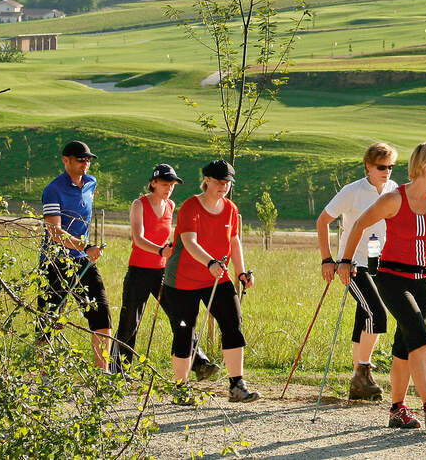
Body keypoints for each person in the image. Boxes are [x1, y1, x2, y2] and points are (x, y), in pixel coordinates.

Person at [338, 142, 426, 430]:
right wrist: (344, 260)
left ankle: (397, 410)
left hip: (424, 278)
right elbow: (359, 225)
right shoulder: (394, 199)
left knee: (405, 344)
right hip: (393, 278)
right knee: (418, 334)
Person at [161, 159, 260, 405]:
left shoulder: (230, 209)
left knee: (233, 324)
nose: (224, 186)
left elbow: (234, 242)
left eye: (227, 182)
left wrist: (241, 272)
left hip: (218, 277)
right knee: (185, 333)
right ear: (207, 180)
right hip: (183, 280)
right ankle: (181, 388)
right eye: (219, 181)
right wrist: (210, 263)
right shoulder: (190, 207)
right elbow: (190, 242)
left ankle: (237, 385)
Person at [109, 164, 220, 380]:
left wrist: (171, 249)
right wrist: (160, 250)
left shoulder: (171, 205)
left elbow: (166, 237)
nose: (169, 188)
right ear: (153, 183)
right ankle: (118, 370)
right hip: (139, 271)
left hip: (163, 271)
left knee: (180, 315)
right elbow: (138, 238)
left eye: (172, 185)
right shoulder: (139, 204)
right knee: (130, 320)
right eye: (164, 184)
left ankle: (199, 363)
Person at [316, 143, 398, 400]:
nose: (387, 171)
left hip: (379, 263)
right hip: (352, 264)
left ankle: (358, 383)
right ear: (368, 167)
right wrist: (327, 260)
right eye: (381, 167)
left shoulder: (394, 189)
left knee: (364, 317)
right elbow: (323, 221)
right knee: (377, 314)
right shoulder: (352, 191)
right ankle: (363, 372)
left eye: (391, 167)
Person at [38, 140, 111, 370]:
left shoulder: (91, 182)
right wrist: (86, 246)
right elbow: (55, 232)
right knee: (49, 320)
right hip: (55, 261)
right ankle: (44, 377)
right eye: (80, 159)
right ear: (65, 160)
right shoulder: (53, 189)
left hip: (83, 261)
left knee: (102, 316)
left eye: (88, 159)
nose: (85, 163)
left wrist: (86, 250)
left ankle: (103, 375)